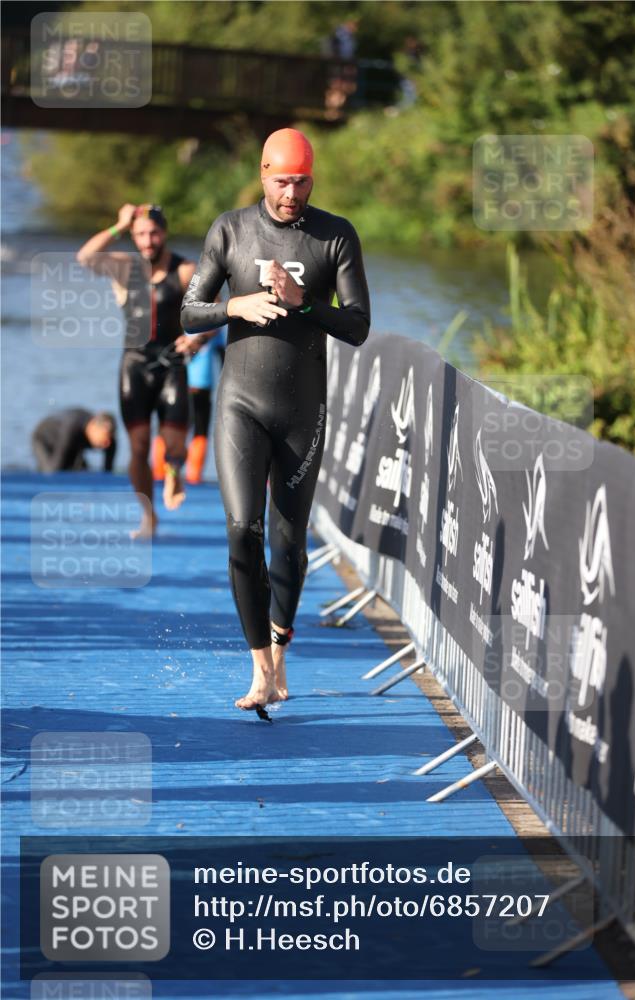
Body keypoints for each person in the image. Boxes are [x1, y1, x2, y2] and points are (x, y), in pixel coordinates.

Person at [181, 127, 371, 718]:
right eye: (282, 181)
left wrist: (302, 302)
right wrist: (234, 306)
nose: (291, 193)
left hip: (302, 410)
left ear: (313, 178)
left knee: (288, 541)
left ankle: (280, 648)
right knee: (243, 529)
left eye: (302, 181)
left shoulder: (335, 235)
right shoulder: (230, 229)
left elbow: (358, 324)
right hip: (241, 402)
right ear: (263, 174)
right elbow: (189, 313)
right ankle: (261, 666)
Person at [76, 204, 216, 537]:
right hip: (135, 366)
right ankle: (148, 516)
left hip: (172, 364)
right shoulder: (125, 268)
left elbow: (216, 312)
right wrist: (119, 226)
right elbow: (85, 257)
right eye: (140, 234)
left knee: (174, 444)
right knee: (138, 447)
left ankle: (173, 471)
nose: (147, 240)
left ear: (164, 233)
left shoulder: (184, 270)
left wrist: (197, 340)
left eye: (153, 233)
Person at [152, 328, 226, 485]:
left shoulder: (184, 321)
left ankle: (160, 472)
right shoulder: (216, 325)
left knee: (170, 426)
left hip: (179, 383)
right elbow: (223, 356)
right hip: (200, 385)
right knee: (199, 430)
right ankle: (193, 476)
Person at [32, 408, 116, 473]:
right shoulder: (72, 428)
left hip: (73, 445)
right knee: (50, 471)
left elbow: (108, 473)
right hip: (44, 439)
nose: (107, 444)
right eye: (105, 438)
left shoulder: (109, 441)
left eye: (110, 439)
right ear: (94, 428)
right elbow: (56, 468)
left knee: (83, 471)